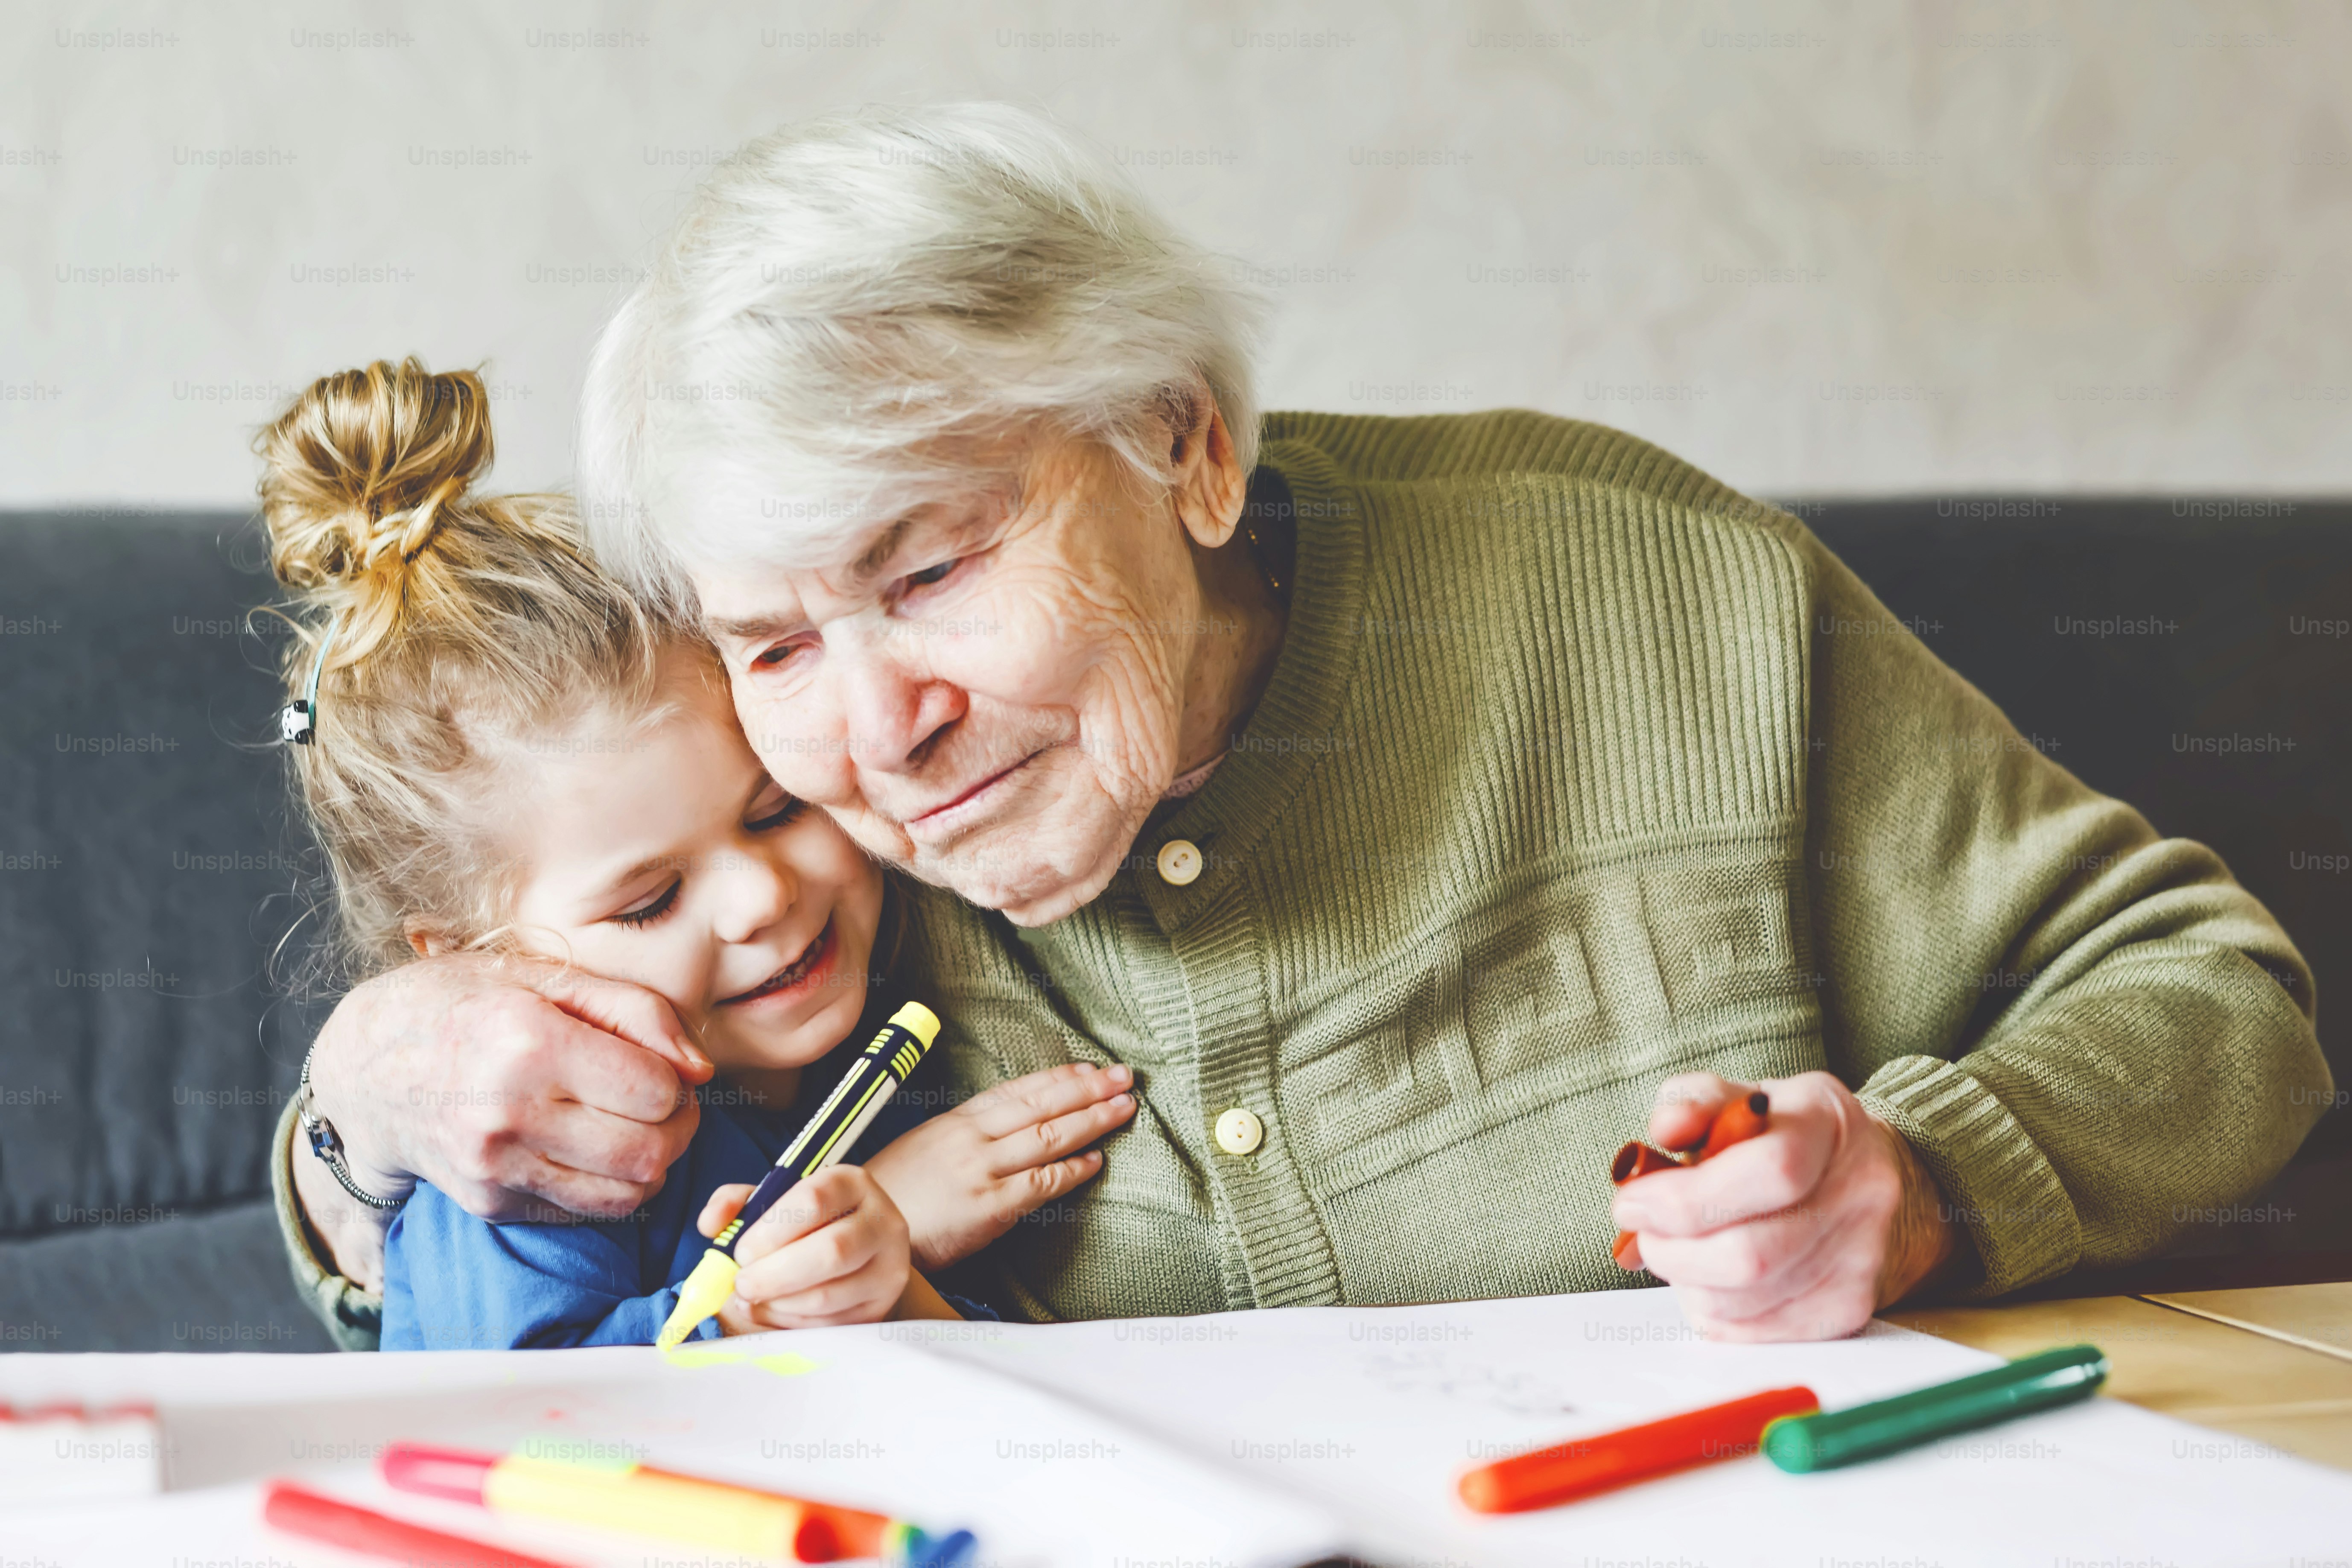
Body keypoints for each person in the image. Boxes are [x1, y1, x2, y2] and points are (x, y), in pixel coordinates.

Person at [278, 105, 2333, 1349]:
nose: (880, 736)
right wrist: (366, 1095)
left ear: (1182, 437)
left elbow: (2212, 995)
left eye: (926, 575)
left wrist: (1930, 1178)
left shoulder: (1630, 584)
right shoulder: (784, 857)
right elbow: (505, 1280)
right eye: (774, 639)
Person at [258, 358, 1134, 1348]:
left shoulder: (884, 1037)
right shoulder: (529, 1172)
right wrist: (779, 1295)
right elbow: (525, 1427)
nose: (762, 896)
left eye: (773, 811)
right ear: (470, 971)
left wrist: (893, 1270)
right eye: (649, 901)